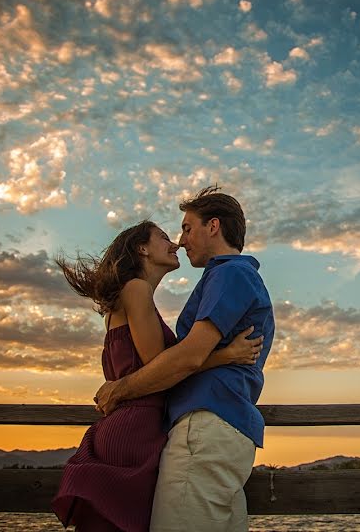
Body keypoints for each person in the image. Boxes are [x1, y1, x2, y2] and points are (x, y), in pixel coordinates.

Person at [51, 220, 262, 532]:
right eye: (164, 238)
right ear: (142, 248)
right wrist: (225, 356)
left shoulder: (132, 297)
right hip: (137, 427)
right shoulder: (136, 289)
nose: (175, 244)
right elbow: (158, 362)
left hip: (138, 424)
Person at [94, 186, 275, 532]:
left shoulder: (229, 273)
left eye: (187, 228)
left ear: (214, 226)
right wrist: (223, 356)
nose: (181, 239)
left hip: (204, 427)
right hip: (219, 428)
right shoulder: (229, 276)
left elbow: (189, 357)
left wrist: (121, 388)